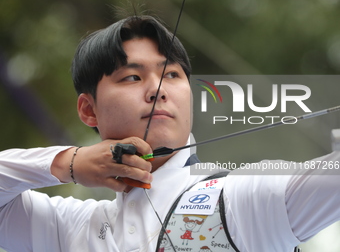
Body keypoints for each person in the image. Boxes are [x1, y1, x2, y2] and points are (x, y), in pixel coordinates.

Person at [1, 15, 340, 252]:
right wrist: (70, 162)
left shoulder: (239, 200)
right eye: (132, 78)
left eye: (173, 76)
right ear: (89, 109)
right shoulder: (71, 229)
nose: (158, 90)